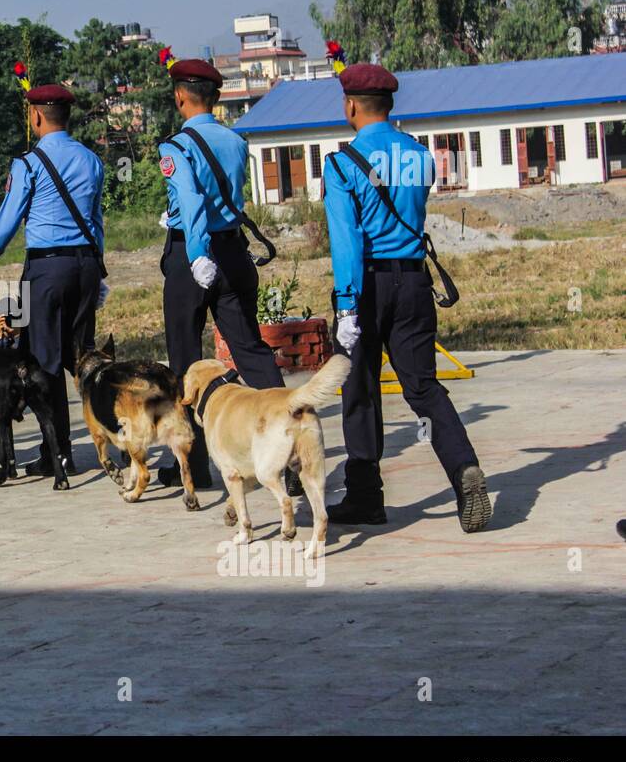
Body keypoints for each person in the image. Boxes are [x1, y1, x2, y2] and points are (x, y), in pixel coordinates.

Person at [322, 62, 491, 532]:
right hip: (415, 282)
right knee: (423, 387)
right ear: (390, 105)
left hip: (368, 285)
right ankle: (463, 470)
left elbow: (347, 242)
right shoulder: (420, 156)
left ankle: (365, 497)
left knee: (360, 389)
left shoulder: (340, 164)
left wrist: (349, 306)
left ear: (351, 106)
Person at [152, 57, 300, 496]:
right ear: (215, 98)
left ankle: (192, 466)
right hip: (233, 251)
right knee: (251, 349)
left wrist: (196, 253)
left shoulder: (175, 146)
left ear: (181, 96)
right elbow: (220, 197)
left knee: (183, 359)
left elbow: (193, 202)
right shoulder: (235, 141)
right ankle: (284, 442)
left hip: (191, 255)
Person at [0, 83, 106, 477]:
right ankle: (110, 435)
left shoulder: (27, 164)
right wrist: (99, 265)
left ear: (37, 116)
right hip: (86, 266)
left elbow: (6, 220)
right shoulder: (92, 160)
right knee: (81, 358)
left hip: (47, 269)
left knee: (44, 362)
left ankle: (58, 454)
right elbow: (96, 220)